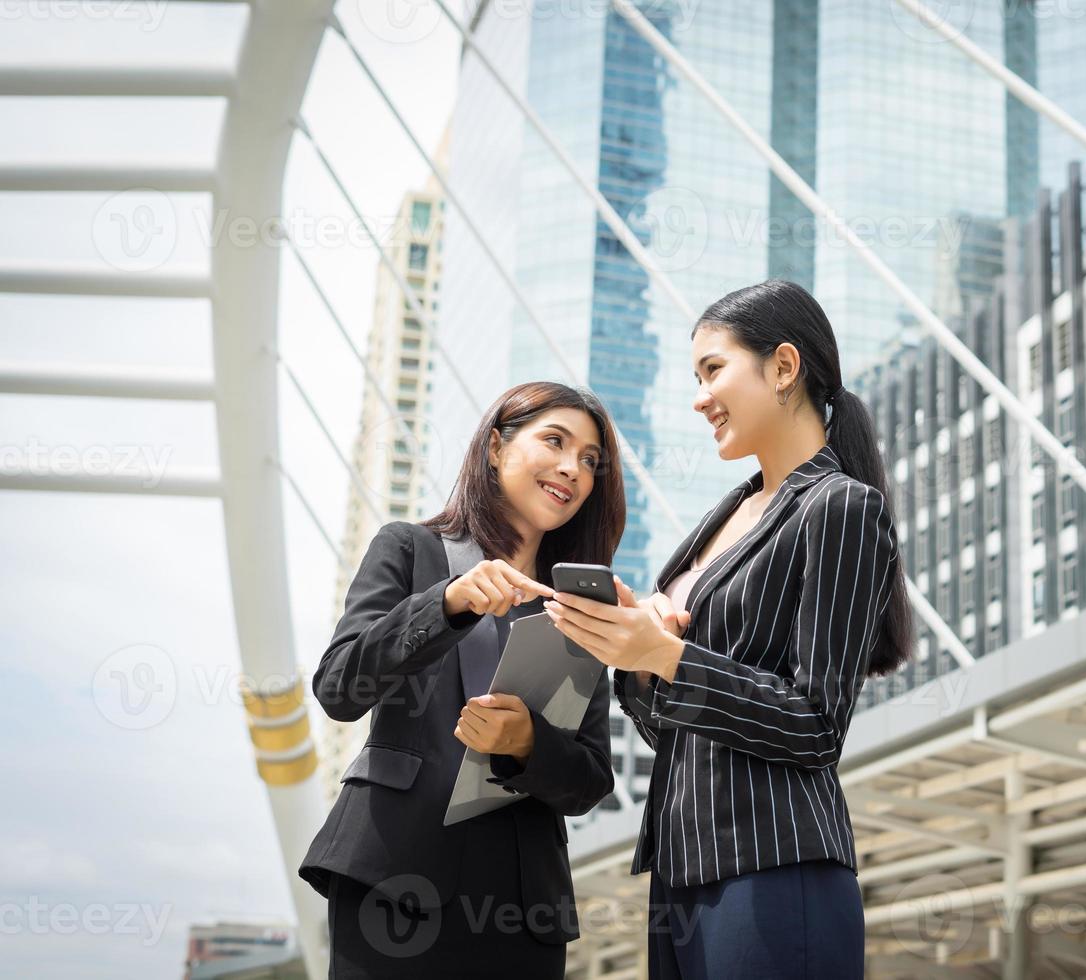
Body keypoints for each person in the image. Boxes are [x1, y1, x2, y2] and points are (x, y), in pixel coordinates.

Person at [544, 280, 915, 979]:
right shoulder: (720, 518)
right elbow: (675, 729)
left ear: (782, 368)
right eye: (695, 377)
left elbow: (814, 725)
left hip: (774, 864)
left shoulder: (838, 508)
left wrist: (670, 656)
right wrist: (638, 656)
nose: (698, 397)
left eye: (713, 370)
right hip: (680, 873)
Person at [299, 381, 622, 978]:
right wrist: (445, 605)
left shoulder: (576, 606)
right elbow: (340, 688)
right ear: (496, 447)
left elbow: (591, 780)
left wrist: (528, 744)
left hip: (519, 909)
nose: (571, 468)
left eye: (589, 461)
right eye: (554, 441)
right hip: (391, 877)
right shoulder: (411, 550)